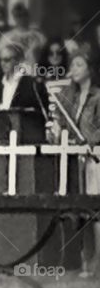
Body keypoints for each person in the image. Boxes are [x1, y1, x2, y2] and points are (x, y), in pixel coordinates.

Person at [47, 52, 100, 276]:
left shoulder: (98, 97)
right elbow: (66, 127)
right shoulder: (72, 97)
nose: (74, 69)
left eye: (79, 64)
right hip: (78, 159)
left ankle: (98, 264)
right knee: (83, 211)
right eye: (72, 65)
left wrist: (92, 140)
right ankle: (87, 262)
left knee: (97, 211)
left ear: (91, 69)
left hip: (96, 158)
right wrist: (56, 131)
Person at [0, 43, 48, 129]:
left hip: (26, 135)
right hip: (0, 135)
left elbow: (42, 113)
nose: (2, 63)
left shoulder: (33, 84)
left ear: (19, 60)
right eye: (0, 60)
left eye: (6, 60)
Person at [0, 3, 47, 68]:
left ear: (28, 16)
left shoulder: (39, 36)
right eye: (18, 15)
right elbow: (2, 58)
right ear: (14, 17)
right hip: (14, 73)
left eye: (24, 15)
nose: (21, 18)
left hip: (34, 71)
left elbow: (47, 57)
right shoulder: (6, 37)